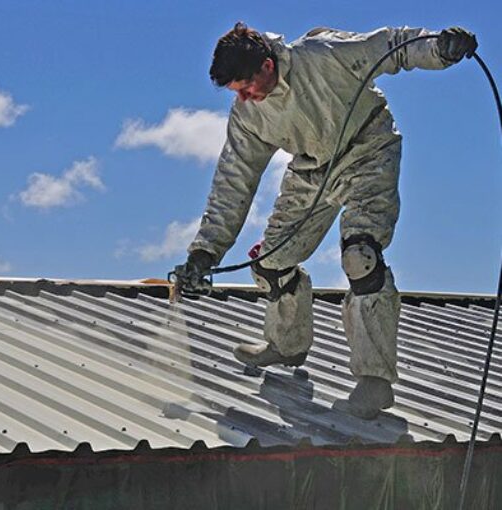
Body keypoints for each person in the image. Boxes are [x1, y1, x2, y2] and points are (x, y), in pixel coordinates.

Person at [173, 23, 477, 419]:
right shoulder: (248, 115)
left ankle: (374, 380)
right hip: (311, 172)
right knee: (270, 263)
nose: (245, 98)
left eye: (246, 87)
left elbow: (390, 47)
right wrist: (204, 253)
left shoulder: (322, 55)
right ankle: (287, 344)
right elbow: (234, 181)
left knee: (360, 257)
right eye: (237, 93)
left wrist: (439, 48)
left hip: (367, 151)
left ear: (267, 65)